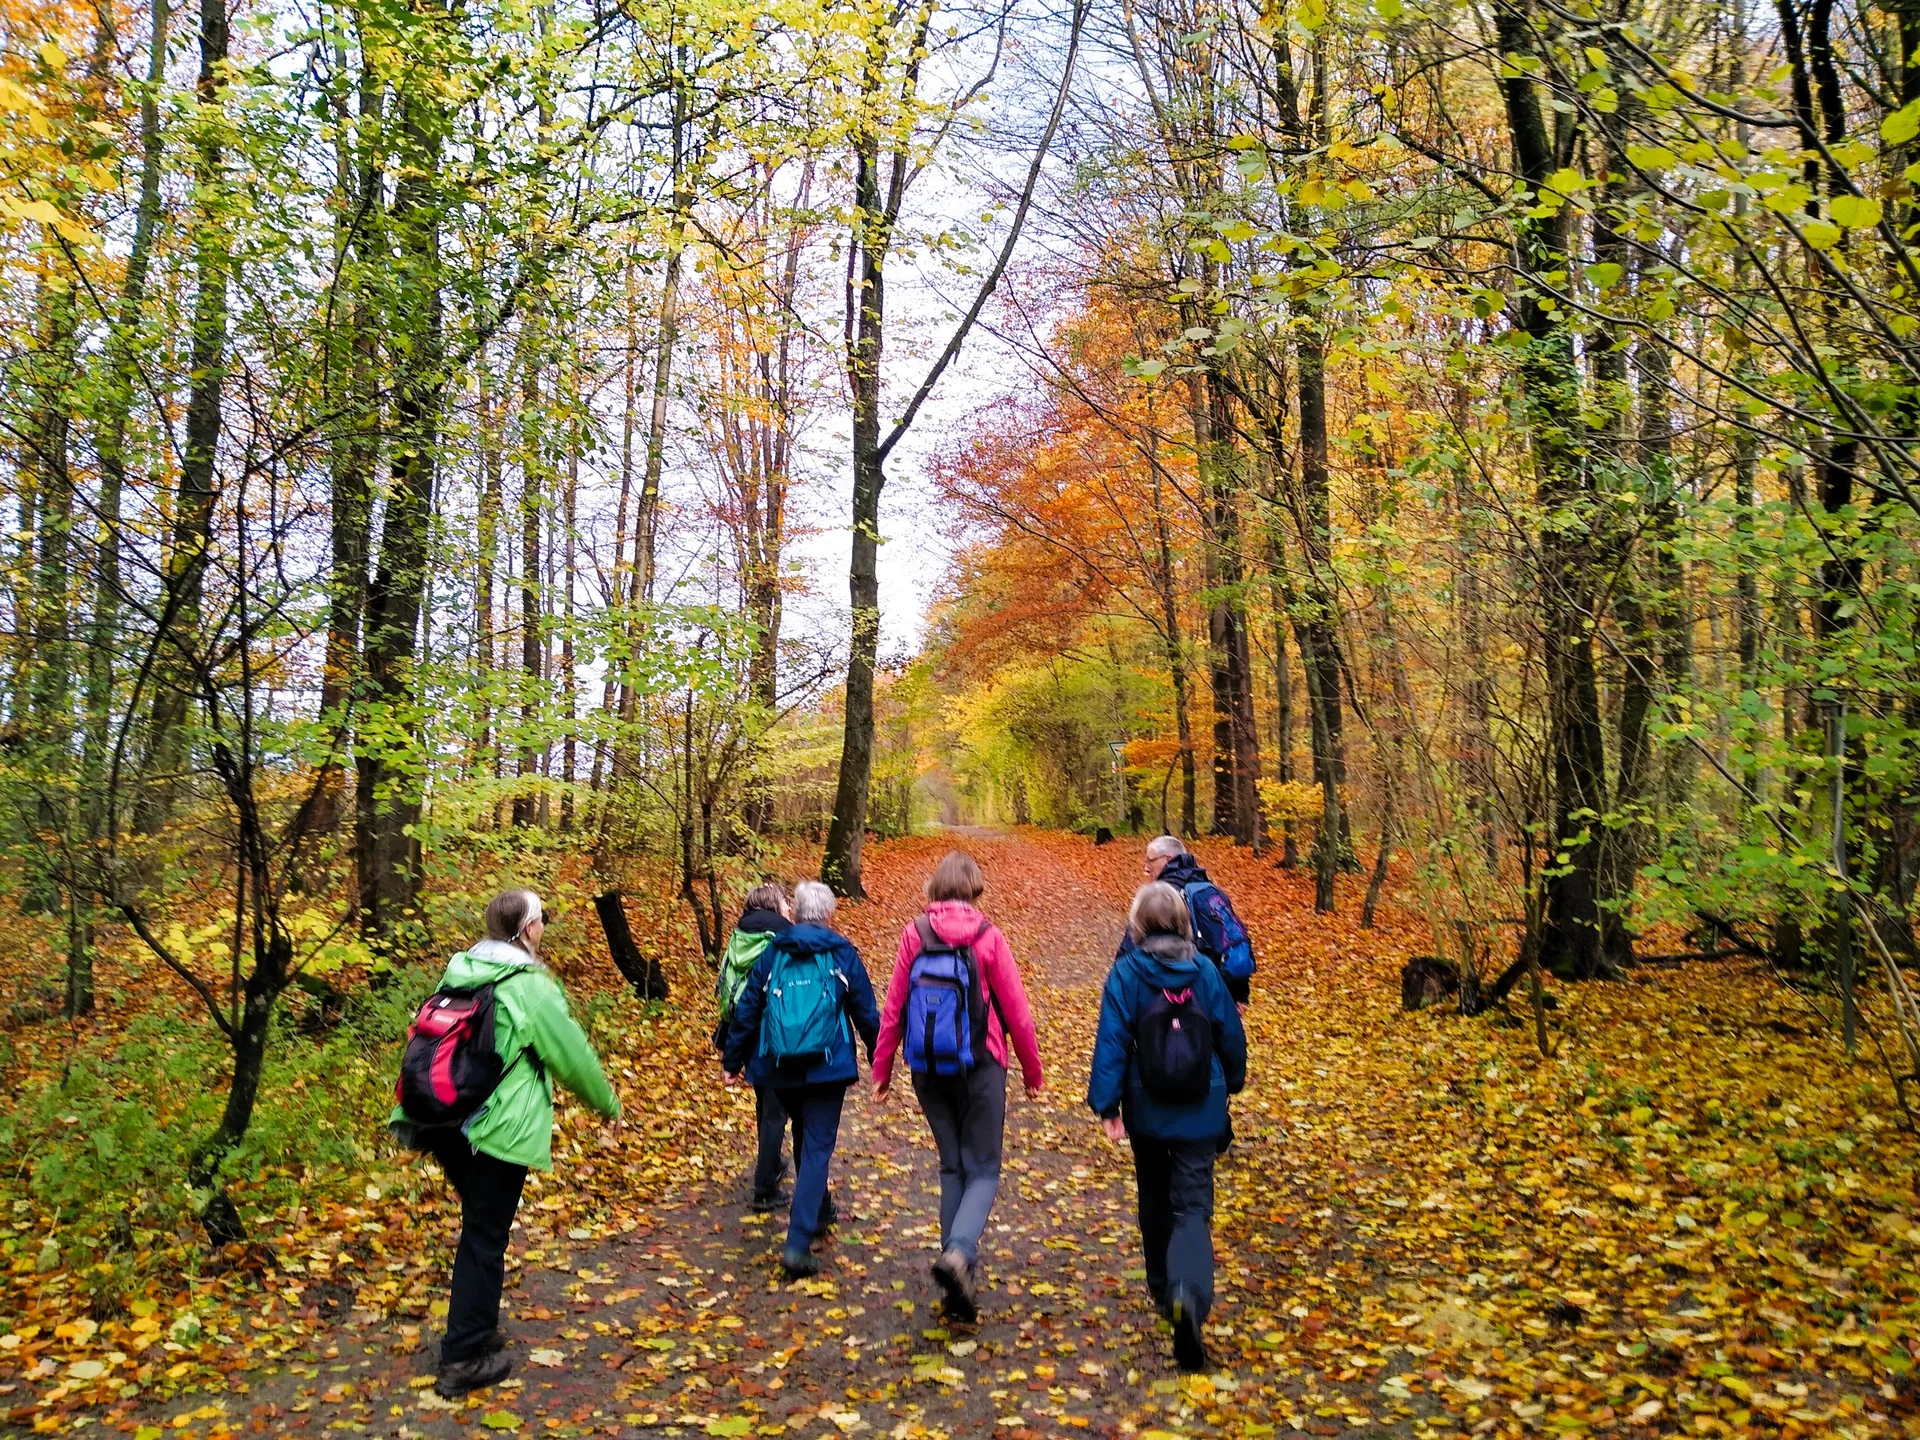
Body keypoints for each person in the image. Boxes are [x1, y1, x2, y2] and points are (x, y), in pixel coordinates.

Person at [398, 889, 622, 1398]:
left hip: (442, 1123)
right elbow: (572, 1055)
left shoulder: (459, 970)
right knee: (484, 1233)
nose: (545, 927)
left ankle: (474, 1325)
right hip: (492, 1128)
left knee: (480, 1226)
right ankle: (463, 1356)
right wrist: (609, 1105)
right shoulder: (528, 985)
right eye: (542, 919)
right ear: (526, 928)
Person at [871, 851, 1044, 1322]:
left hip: (928, 1067)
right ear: (974, 888)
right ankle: (959, 1254)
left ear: (934, 888)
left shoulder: (914, 933)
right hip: (982, 1064)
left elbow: (894, 1007)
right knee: (984, 1169)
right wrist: (1032, 1071)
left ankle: (955, 1284)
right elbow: (1018, 1013)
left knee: (952, 1167)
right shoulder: (989, 938)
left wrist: (882, 1068)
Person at [1087, 881, 1246, 1374]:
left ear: (1137, 924)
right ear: (1182, 922)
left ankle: (1163, 1290)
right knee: (1193, 1205)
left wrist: (1107, 1105)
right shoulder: (1204, 971)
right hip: (1202, 1105)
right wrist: (1233, 1083)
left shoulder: (1127, 973)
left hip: (1147, 1108)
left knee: (1154, 1195)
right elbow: (1229, 1033)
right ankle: (1188, 1296)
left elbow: (1112, 1041)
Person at [723, 880, 880, 1279]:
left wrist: (733, 1059)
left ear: (796, 910)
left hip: (777, 1065)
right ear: (828, 914)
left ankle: (821, 1208)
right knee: (816, 1150)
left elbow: (749, 1007)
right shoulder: (842, 952)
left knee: (803, 1135)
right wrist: (881, 1058)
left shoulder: (775, 951)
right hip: (827, 1067)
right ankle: (796, 1244)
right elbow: (864, 1011)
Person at [715, 883, 794, 1209]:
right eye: (785, 902)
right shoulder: (781, 940)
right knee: (776, 1111)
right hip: (773, 1034)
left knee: (766, 1103)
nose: (790, 906)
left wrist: (732, 1054)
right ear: (776, 906)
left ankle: (772, 1164)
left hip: (745, 1035)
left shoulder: (739, 939)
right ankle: (765, 1189)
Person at [1124, 836, 1256, 1007]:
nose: (1146, 868)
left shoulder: (1160, 897)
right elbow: (1232, 939)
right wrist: (1239, 996)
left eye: (1150, 861)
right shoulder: (1210, 890)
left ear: (1168, 859)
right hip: (1216, 1000)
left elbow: (1130, 947)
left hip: (1172, 1003)